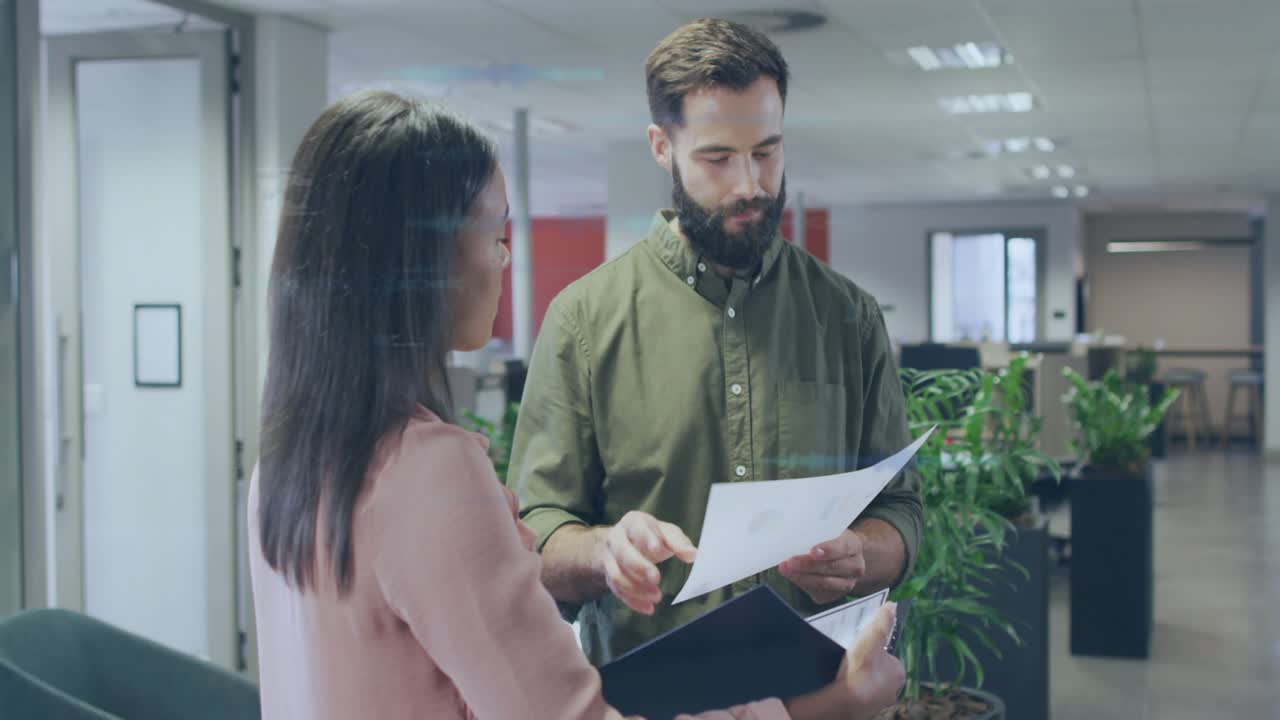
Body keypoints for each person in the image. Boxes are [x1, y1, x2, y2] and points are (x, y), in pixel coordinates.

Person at [247, 89, 906, 720]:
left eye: (766, 152)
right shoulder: (429, 472)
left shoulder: (284, 466)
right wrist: (834, 706)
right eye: (496, 233)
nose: (506, 259)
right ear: (426, 256)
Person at [509, 17, 924, 665]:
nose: (750, 185)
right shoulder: (583, 320)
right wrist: (602, 552)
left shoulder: (848, 316)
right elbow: (534, 532)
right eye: (717, 158)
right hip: (650, 695)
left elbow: (900, 509)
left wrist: (866, 554)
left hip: (816, 689)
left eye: (766, 152)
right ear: (660, 145)